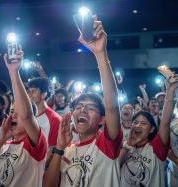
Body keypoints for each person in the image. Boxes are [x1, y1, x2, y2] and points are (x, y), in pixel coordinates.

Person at [44, 16, 122, 187]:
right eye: (78, 107)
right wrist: (59, 148)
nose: (82, 110)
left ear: (102, 120)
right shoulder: (67, 150)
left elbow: (111, 105)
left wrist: (100, 53)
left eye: (90, 108)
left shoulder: (106, 144)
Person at [0, 47, 47, 187]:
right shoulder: (4, 145)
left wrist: (13, 72)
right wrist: (1, 139)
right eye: (12, 111)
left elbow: (26, 115)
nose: (14, 115)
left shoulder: (37, 145)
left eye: (18, 113)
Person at [119, 74, 178, 187]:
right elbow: (113, 168)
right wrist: (127, 146)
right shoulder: (124, 146)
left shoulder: (157, 147)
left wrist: (170, 91)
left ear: (152, 129)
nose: (137, 125)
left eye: (143, 123)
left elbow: (165, 122)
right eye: (135, 122)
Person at [27, 77, 61, 148]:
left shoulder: (55, 119)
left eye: (33, 91)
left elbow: (52, 148)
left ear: (44, 94)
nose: (29, 95)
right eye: (29, 91)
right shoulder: (26, 114)